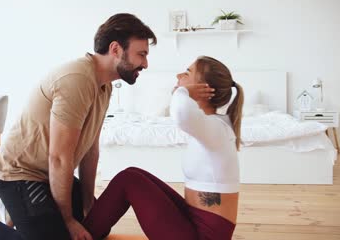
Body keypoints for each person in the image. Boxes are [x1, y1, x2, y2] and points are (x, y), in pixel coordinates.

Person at [0, 13, 157, 240]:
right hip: (21, 174)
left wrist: (86, 204)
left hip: (50, 175)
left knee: (96, 229)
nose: (145, 63)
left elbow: (90, 149)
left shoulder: (105, 86)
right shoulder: (77, 79)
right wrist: (68, 220)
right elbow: (59, 157)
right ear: (115, 49)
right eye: (141, 54)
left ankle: (24, 217)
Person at [82, 56, 244, 240]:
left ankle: (83, 234)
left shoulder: (217, 129)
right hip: (195, 223)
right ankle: (90, 230)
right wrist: (184, 90)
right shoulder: (214, 127)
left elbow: (182, 113)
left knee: (129, 180)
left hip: (202, 236)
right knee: (133, 174)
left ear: (204, 88)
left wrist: (182, 91)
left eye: (188, 73)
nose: (179, 75)